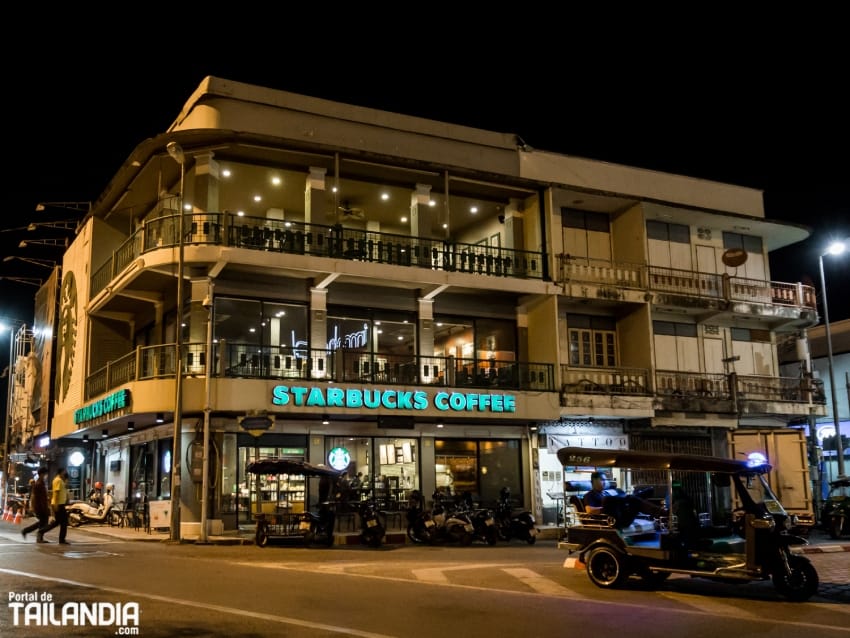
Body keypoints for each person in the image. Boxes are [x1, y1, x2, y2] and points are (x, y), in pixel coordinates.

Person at [39, 467, 70, 544]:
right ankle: (61, 539)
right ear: (61, 472)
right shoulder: (58, 480)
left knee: (58, 522)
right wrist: (55, 504)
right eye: (64, 471)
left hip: (60, 503)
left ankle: (42, 531)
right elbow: (56, 493)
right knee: (63, 522)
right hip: (58, 504)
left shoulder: (60, 480)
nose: (65, 473)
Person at [21, 467, 50, 543]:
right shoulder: (39, 484)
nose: (46, 476)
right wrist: (36, 507)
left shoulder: (41, 482)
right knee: (44, 522)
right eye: (45, 474)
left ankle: (29, 532)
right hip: (40, 506)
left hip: (42, 505)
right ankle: (37, 536)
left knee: (42, 522)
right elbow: (36, 497)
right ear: (42, 474)